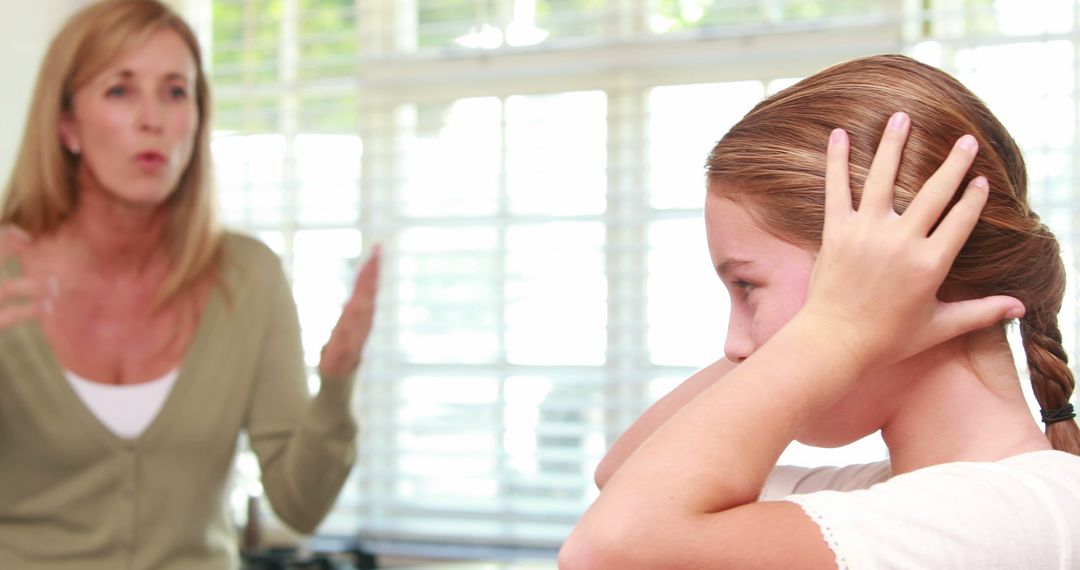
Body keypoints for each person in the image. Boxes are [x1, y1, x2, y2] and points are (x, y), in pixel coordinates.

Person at [560, 54, 1080, 569]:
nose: (734, 346)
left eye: (747, 285)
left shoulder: (1018, 513)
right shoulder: (902, 500)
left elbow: (611, 548)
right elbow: (626, 476)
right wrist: (839, 328)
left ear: (910, 278)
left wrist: (839, 329)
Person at [0, 1, 380, 568]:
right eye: (120, 91)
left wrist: (335, 388)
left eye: (176, 92)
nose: (153, 118)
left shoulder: (247, 278)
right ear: (66, 125)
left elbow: (300, 507)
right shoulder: (8, 273)